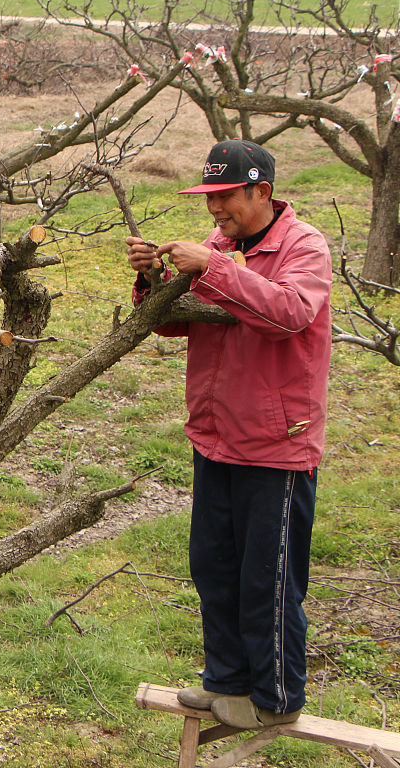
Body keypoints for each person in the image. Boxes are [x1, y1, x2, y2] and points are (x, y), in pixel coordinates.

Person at [126, 140, 331, 730]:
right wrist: (153, 280)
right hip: (216, 435)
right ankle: (227, 681)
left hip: (275, 444)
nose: (215, 209)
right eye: (209, 198)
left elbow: (288, 314)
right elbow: (173, 324)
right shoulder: (218, 248)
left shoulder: (303, 246)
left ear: (261, 191)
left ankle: (275, 699)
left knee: (267, 578)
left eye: (225, 197)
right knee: (214, 566)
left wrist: (212, 269)